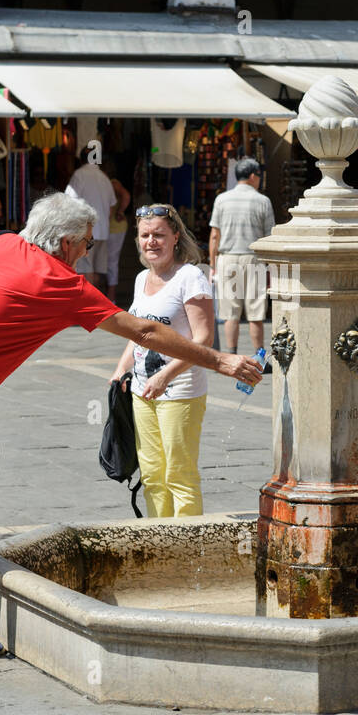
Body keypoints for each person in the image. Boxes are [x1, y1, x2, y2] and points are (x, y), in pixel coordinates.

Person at [0, 193, 261, 655]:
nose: (86, 253)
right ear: (64, 243)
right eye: (84, 244)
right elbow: (143, 331)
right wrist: (220, 359)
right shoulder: (59, 281)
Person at [112, 203, 216, 517]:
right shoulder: (142, 278)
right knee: (153, 475)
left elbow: (204, 339)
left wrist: (166, 376)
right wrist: (120, 371)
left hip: (180, 390)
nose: (151, 242)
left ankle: (188, 551)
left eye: (159, 234)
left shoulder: (190, 277)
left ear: (175, 237)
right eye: (145, 235)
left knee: (179, 475)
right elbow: (138, 334)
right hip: (143, 390)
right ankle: (159, 541)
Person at [208, 157, 275, 354]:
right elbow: (268, 238)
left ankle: (231, 354)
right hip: (254, 259)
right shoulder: (263, 201)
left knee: (230, 313)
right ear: (253, 176)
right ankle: (259, 356)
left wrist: (212, 264)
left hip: (227, 259)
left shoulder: (221, 199)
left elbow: (214, 236)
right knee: (255, 313)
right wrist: (270, 267)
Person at [65, 147, 116, 291]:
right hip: (103, 231)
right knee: (98, 270)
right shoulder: (104, 178)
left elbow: (68, 202)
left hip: (86, 232)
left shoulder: (79, 175)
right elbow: (112, 207)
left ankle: (90, 306)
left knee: (86, 269)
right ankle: (97, 304)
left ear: (80, 159)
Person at [100, 157, 130, 304]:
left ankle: (111, 297)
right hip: (110, 228)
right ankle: (108, 295)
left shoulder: (113, 183)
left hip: (115, 227)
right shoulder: (107, 183)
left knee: (111, 261)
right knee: (108, 261)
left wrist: (120, 212)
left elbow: (126, 196)